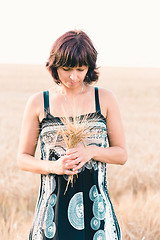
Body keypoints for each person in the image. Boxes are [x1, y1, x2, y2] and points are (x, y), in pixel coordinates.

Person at [17, 30, 127, 240]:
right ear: (54, 65)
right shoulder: (39, 102)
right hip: (52, 214)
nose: (74, 76)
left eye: (80, 68)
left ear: (89, 68)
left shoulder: (104, 99)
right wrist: (54, 167)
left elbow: (122, 154)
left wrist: (91, 151)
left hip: (97, 213)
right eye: (66, 69)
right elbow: (22, 159)